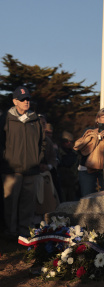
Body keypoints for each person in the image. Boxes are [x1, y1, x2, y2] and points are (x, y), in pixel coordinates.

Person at [1, 86, 45, 238]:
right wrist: (5, 159)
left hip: (31, 169)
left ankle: (24, 234)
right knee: (10, 204)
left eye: (28, 99)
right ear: (15, 101)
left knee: (28, 204)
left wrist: (38, 158)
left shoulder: (36, 119)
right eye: (22, 99)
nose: (26, 102)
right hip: (11, 170)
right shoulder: (5, 118)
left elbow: (42, 142)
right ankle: (10, 234)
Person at [73, 108, 104, 197]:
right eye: (102, 117)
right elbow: (82, 150)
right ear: (97, 119)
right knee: (87, 198)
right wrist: (97, 137)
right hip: (87, 170)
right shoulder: (89, 131)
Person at [58, 131, 79, 202]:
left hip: (72, 183)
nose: (68, 143)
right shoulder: (57, 153)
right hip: (60, 182)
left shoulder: (75, 154)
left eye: (70, 141)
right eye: (66, 141)